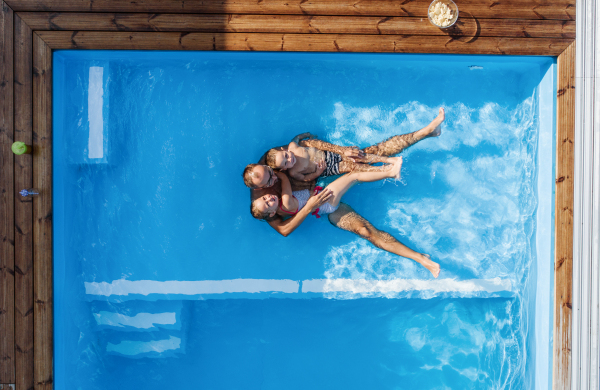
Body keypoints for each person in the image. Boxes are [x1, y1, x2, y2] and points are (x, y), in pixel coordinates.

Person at [246, 108, 445, 278]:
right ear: (258, 188)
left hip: (325, 174)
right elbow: (284, 230)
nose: (274, 176)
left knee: (370, 154)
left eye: (272, 172)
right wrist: (309, 207)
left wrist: (341, 151)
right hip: (320, 203)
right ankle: (419, 258)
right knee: (364, 231)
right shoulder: (261, 204)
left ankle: (426, 133)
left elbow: (307, 146)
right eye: (269, 180)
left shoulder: (270, 161)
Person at [252, 157, 402, 220]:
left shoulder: (279, 210)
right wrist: (274, 172)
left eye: (264, 198)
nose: (269, 198)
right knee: (353, 176)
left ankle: (385, 169)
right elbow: (284, 178)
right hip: (326, 200)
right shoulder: (285, 203)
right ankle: (391, 172)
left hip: (322, 201)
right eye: (267, 204)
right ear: (271, 213)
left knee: (353, 180)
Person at [264, 139, 393, 182]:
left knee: (358, 156)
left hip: (328, 154)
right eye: (285, 163)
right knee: (353, 167)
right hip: (326, 169)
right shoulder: (293, 173)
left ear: (283, 149)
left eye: (286, 155)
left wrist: (301, 136)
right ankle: (383, 170)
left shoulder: (293, 145)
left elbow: (317, 144)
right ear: (283, 169)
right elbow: (306, 178)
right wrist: (318, 172)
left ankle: (389, 160)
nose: (289, 159)